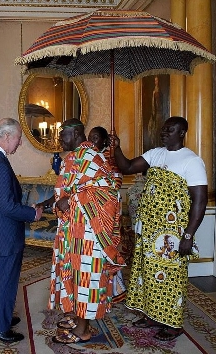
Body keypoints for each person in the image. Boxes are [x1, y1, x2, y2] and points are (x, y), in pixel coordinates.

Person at [111, 116, 208, 341]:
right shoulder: (155, 153)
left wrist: (188, 235)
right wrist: (117, 147)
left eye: (170, 130)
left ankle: (173, 325)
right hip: (148, 229)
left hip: (173, 233)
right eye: (163, 130)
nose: (164, 133)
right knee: (148, 275)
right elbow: (126, 167)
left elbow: (200, 201)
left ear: (182, 132)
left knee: (171, 277)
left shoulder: (191, 161)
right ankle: (152, 316)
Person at [48, 118, 125, 344]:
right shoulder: (75, 157)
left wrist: (71, 199)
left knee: (86, 279)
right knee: (71, 273)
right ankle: (75, 316)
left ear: (77, 134)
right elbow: (69, 189)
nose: (60, 139)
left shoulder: (90, 156)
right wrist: (64, 200)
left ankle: (82, 330)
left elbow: (109, 192)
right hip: (73, 229)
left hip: (90, 232)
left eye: (64, 135)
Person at [0, 118, 42, 343]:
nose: (19, 144)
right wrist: (32, 214)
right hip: (4, 235)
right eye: (19, 139)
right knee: (5, 281)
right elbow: (8, 206)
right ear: (7, 137)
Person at [88, 126, 126, 302]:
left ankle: (113, 290)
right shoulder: (86, 159)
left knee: (107, 249)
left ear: (104, 141)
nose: (92, 141)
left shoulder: (110, 161)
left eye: (95, 138)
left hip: (107, 212)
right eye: (90, 137)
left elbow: (115, 184)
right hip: (90, 213)